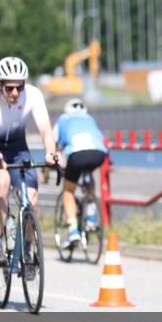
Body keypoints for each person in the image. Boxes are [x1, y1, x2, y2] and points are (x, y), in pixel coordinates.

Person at [0, 56, 58, 267]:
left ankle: (27, 250)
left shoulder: (33, 95)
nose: (15, 93)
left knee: (32, 200)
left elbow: (46, 131)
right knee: (2, 182)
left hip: (18, 149)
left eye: (20, 87)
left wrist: (50, 153)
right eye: (9, 88)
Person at [53, 98, 107, 246]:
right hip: (98, 153)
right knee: (88, 173)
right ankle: (91, 216)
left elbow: (53, 147)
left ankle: (72, 230)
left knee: (68, 190)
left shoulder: (62, 119)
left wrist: (45, 173)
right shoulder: (89, 118)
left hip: (76, 153)